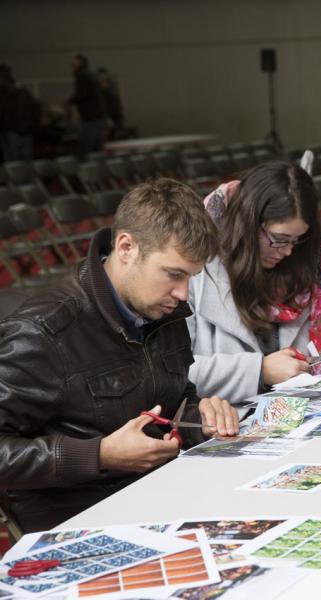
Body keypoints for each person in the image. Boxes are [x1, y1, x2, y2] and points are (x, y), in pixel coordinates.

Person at [0, 178, 240, 533]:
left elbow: (170, 398)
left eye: (190, 277)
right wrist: (98, 455)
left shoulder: (163, 309)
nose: (184, 293)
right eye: (174, 274)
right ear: (126, 247)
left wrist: (199, 416)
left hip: (157, 494)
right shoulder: (43, 331)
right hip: (76, 520)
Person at [187, 161, 321, 403]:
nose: (288, 252)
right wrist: (259, 371)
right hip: (232, 421)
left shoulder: (305, 261)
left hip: (305, 411)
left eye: (297, 240)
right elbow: (174, 372)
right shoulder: (194, 270)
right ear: (249, 225)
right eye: (279, 239)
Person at [0, 62, 40, 162]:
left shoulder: (3, 93)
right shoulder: (23, 91)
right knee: (26, 164)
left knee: (13, 165)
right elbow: (36, 108)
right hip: (27, 132)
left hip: (10, 132)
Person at [68, 53, 106, 158]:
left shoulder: (81, 75)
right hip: (97, 115)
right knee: (97, 148)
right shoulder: (91, 75)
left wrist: (69, 100)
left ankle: (87, 171)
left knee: (86, 148)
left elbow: (82, 94)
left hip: (90, 117)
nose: (71, 63)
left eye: (74, 61)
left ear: (80, 62)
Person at [97, 67, 125, 137]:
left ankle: (119, 133)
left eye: (103, 76)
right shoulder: (96, 86)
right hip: (103, 110)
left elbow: (115, 95)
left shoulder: (111, 84)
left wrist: (106, 88)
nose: (102, 78)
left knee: (118, 123)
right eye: (100, 76)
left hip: (114, 108)